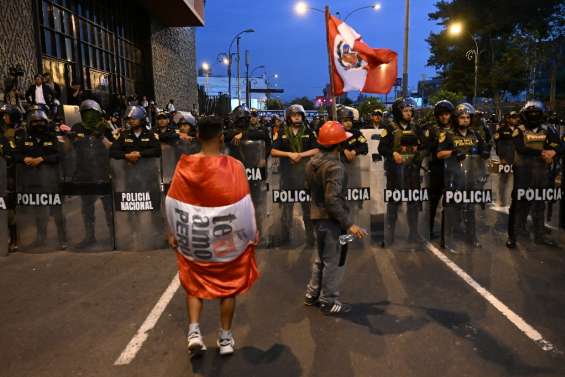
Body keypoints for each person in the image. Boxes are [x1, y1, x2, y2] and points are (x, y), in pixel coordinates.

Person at [166, 116, 259, 356]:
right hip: (225, 237)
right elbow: (245, 204)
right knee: (227, 287)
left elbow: (173, 200)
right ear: (221, 137)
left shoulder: (184, 165)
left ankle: (194, 332)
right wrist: (251, 234)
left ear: (197, 137)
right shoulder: (235, 166)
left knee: (194, 282)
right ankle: (225, 337)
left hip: (195, 236)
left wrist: (174, 232)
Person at [304, 121, 368, 314]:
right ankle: (328, 300)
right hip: (333, 221)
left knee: (321, 258)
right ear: (339, 144)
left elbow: (309, 189)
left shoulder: (312, 162)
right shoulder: (336, 167)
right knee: (335, 260)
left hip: (317, 217)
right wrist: (349, 225)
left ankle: (312, 294)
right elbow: (332, 200)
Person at [506, 100, 560, 248]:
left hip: (541, 173)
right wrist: (543, 152)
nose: (534, 116)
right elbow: (521, 148)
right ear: (525, 115)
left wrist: (553, 152)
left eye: (536, 113)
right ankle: (513, 235)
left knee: (539, 203)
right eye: (531, 113)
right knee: (518, 203)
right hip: (523, 172)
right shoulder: (519, 130)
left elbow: (559, 144)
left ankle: (539, 235)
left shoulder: (547, 129)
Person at [437, 103, 491, 249]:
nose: (465, 120)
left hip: (471, 178)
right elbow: (439, 154)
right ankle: (447, 239)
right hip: (453, 178)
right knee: (451, 209)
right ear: (456, 119)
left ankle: (471, 237)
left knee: (470, 209)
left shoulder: (476, 135)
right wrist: (453, 153)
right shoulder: (447, 135)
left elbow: (484, 151)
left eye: (468, 117)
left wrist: (484, 153)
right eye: (462, 117)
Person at [13, 106, 67, 249]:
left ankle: (63, 239)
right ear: (30, 123)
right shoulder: (24, 139)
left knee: (57, 213)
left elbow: (60, 155)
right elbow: (15, 154)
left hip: (52, 182)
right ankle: (41, 238)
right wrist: (24, 158)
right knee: (39, 213)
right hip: (33, 181)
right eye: (35, 122)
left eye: (41, 121)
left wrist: (42, 159)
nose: (38, 124)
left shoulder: (53, 137)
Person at [378, 97, 426, 245]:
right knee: (393, 203)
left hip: (412, 172)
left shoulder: (416, 127)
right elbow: (381, 148)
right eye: (405, 111)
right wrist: (393, 154)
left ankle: (413, 233)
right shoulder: (389, 128)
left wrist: (419, 156)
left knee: (413, 203)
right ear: (398, 112)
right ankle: (390, 235)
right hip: (395, 172)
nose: (409, 113)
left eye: (410, 111)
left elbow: (425, 146)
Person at [271, 104, 319, 246]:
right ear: (288, 117)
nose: (297, 117)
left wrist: (300, 155)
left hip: (305, 177)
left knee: (308, 210)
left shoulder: (309, 132)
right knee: (286, 209)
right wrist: (289, 154)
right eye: (294, 115)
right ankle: (285, 238)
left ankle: (311, 238)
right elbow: (273, 151)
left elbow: (317, 149)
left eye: (299, 115)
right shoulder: (282, 132)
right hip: (287, 177)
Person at [70, 99, 114, 249]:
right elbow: (70, 149)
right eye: (86, 113)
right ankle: (89, 237)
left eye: (92, 113)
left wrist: (102, 135)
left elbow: (113, 148)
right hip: (85, 173)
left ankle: (113, 236)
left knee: (108, 207)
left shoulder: (105, 127)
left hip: (103, 172)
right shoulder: (76, 127)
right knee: (87, 208)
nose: (89, 116)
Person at [427, 100, 454, 238]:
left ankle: (448, 231)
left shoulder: (456, 128)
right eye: (442, 114)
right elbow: (429, 149)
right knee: (433, 201)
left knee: (451, 202)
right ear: (437, 116)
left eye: (447, 114)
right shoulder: (433, 129)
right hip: (437, 168)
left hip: (454, 169)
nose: (444, 117)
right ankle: (428, 229)